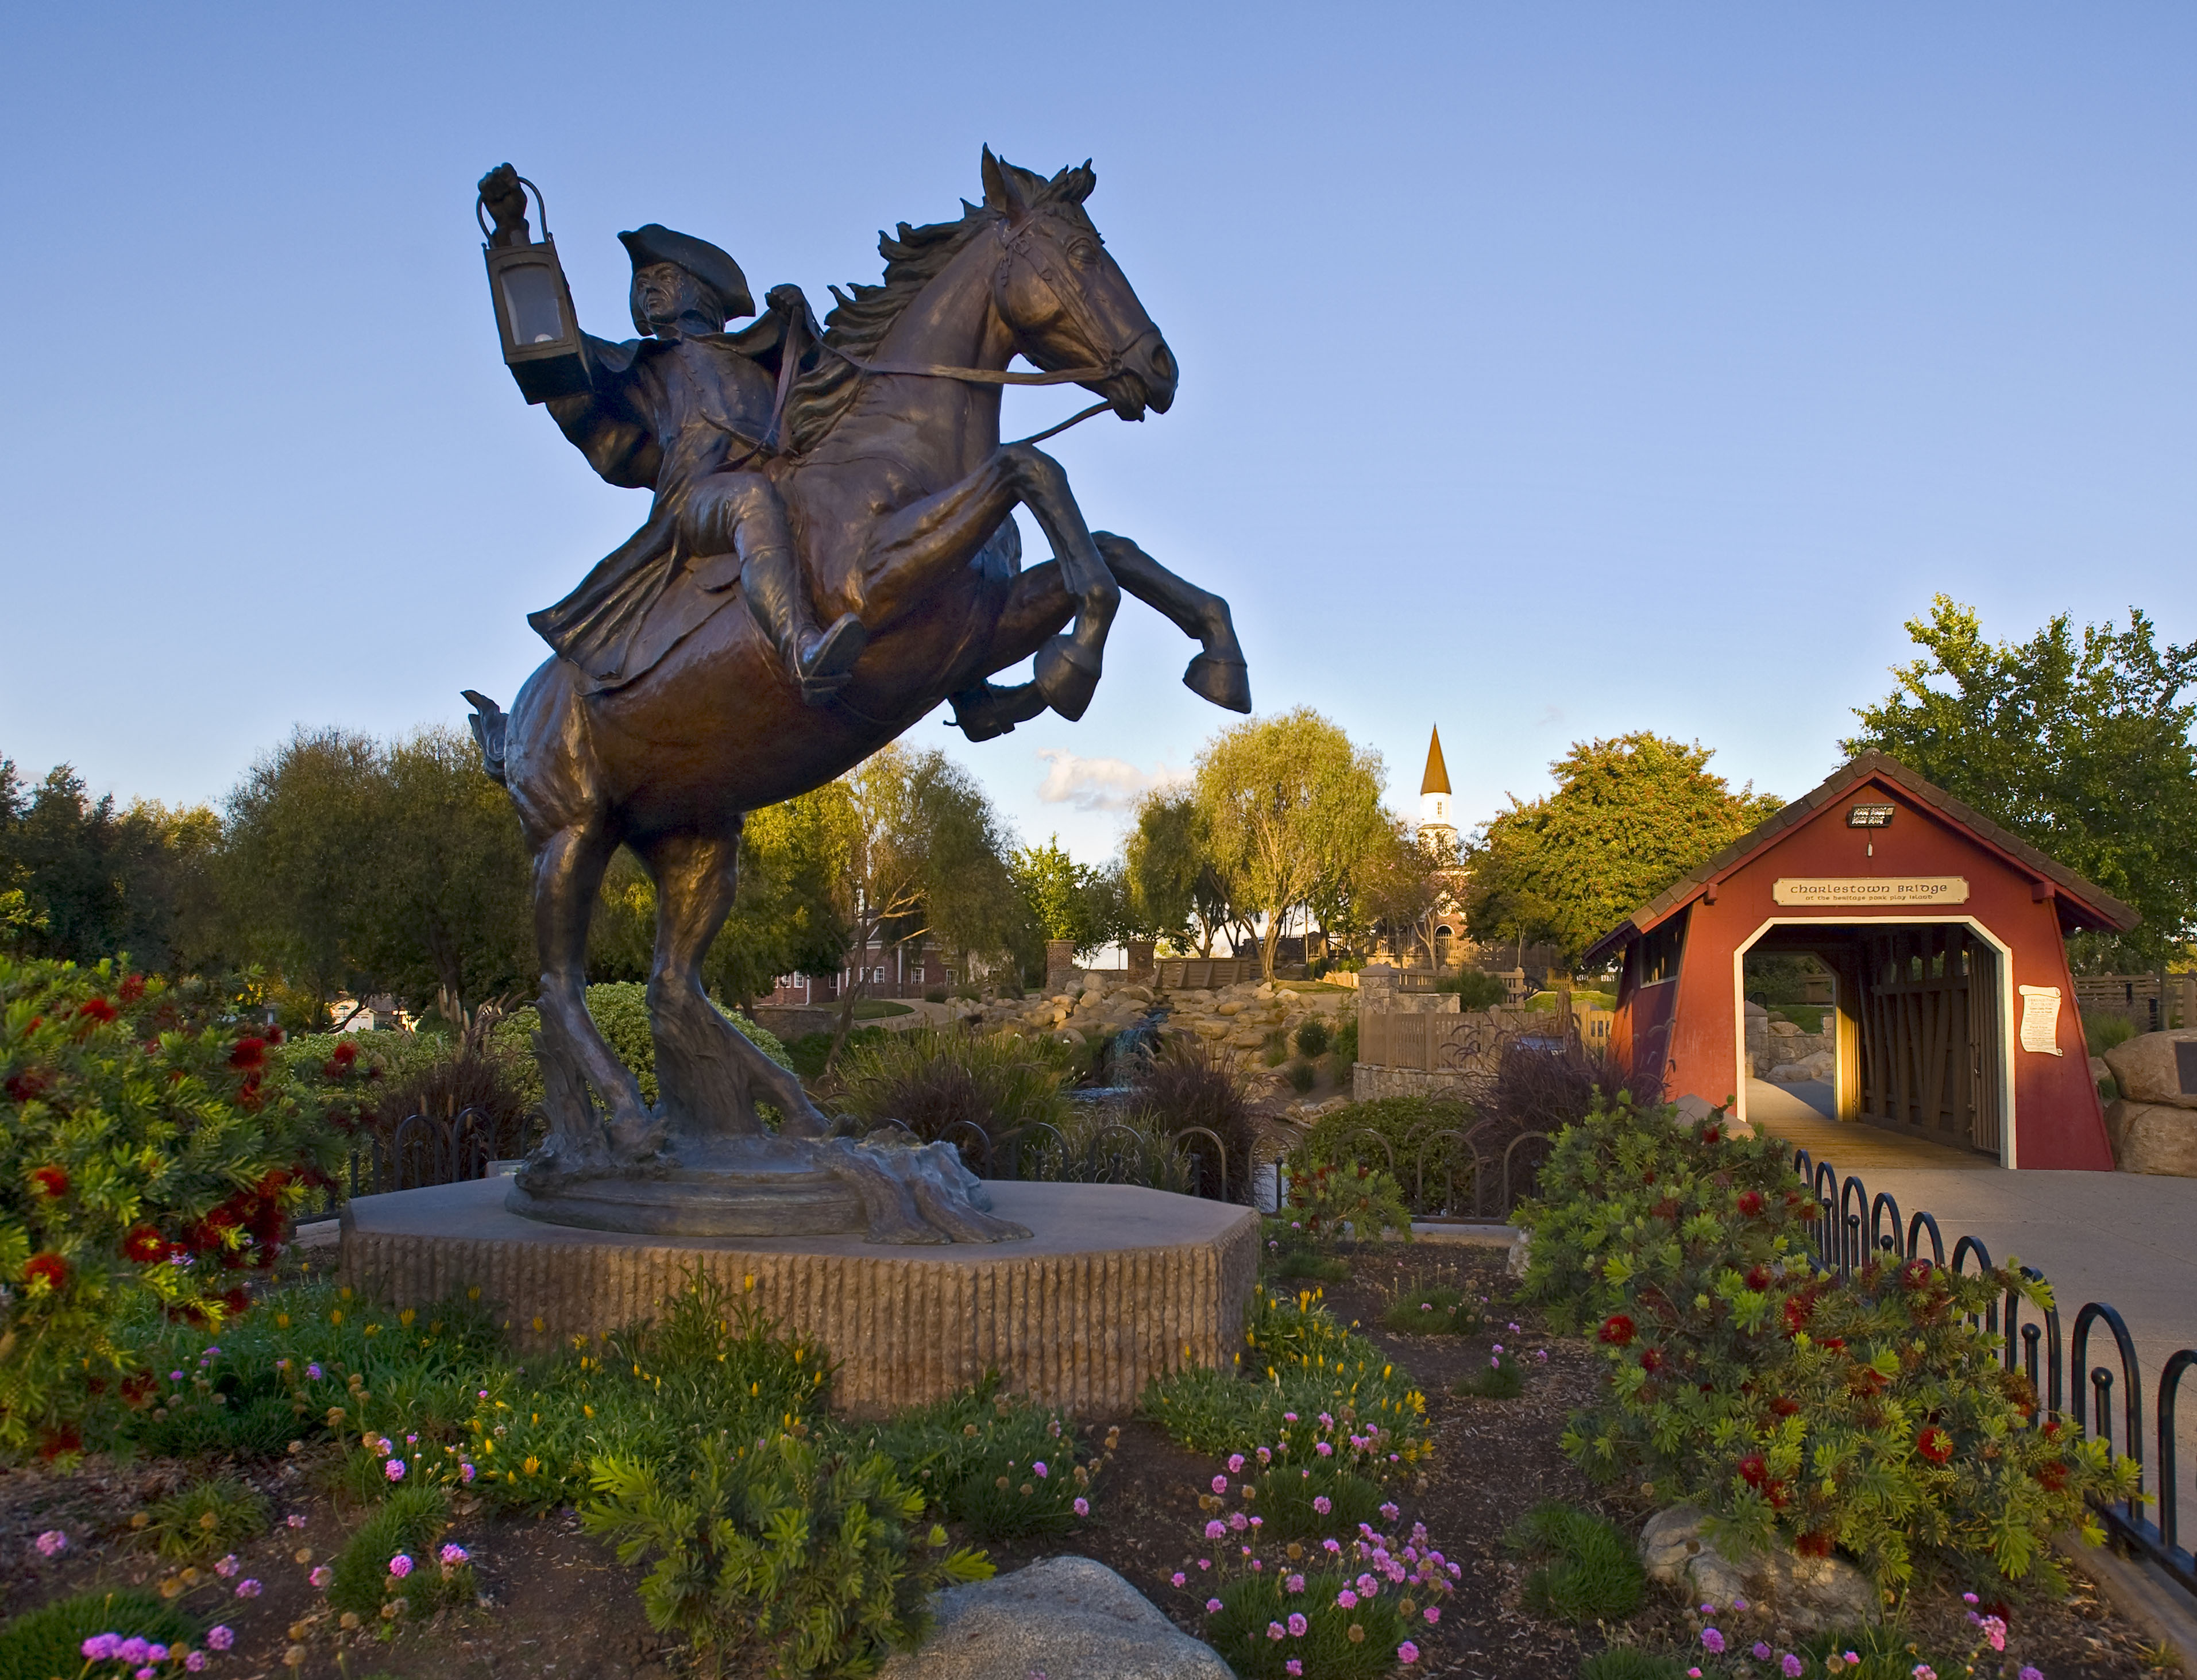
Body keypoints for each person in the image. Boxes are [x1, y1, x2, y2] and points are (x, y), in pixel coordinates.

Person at [478, 164, 866, 700]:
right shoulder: (642, 363)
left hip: (789, 473)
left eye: (661, 279)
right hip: (700, 500)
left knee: (880, 493)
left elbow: (841, 398)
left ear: (701, 291)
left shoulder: (763, 350)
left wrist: (808, 329)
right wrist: (514, 239)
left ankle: (968, 689)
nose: (646, 292)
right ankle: (801, 651)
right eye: (641, 285)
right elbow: (561, 361)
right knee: (749, 499)